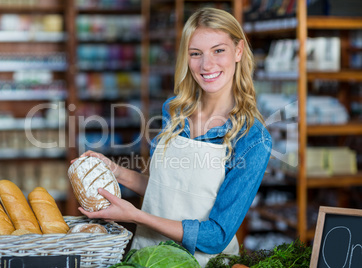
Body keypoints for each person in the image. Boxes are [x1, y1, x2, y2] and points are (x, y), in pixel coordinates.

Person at [75, 7, 272, 267]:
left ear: (238, 51)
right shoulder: (174, 110)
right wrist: (116, 172)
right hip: (146, 257)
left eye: (218, 50)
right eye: (195, 54)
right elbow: (167, 191)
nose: (206, 64)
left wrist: (137, 217)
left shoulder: (252, 139)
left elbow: (217, 236)